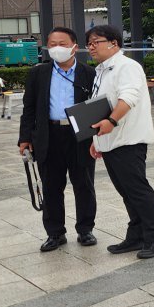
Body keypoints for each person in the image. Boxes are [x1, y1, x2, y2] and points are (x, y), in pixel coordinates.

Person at [86, 25, 154, 259]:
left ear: (113, 43)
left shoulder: (127, 67)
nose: (91, 47)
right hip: (110, 140)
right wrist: (96, 141)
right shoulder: (102, 70)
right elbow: (99, 104)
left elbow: (128, 98)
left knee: (137, 189)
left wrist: (111, 121)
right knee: (126, 191)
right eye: (89, 43)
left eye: (95, 42)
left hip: (129, 140)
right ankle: (136, 234)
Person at [18, 27, 97, 253]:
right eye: (52, 44)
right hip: (48, 135)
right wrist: (24, 138)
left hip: (79, 135)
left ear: (74, 46)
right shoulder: (38, 73)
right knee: (51, 185)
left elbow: (97, 105)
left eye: (62, 43)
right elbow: (29, 108)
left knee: (84, 184)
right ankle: (55, 233)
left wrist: (96, 138)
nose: (56, 48)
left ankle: (85, 229)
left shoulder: (88, 73)